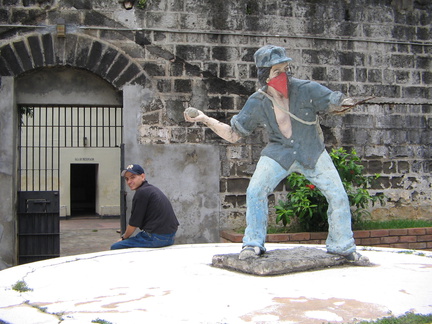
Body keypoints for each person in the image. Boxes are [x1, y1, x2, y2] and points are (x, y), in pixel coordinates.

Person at [184, 45, 369, 264]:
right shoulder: (257, 101)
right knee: (255, 190)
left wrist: (344, 103)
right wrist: (205, 118)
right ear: (265, 75)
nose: (283, 75)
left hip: (311, 150)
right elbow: (234, 134)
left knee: (337, 194)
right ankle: (253, 244)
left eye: (285, 68)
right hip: (279, 152)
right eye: (276, 71)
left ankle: (343, 246)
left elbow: (332, 101)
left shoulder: (306, 89)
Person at [111, 164, 179, 250]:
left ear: (143, 177)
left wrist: (123, 238)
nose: (129, 182)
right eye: (127, 179)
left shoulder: (142, 192)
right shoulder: (151, 189)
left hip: (157, 237)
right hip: (170, 236)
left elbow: (133, 224)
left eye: (133, 177)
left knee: (116, 246)